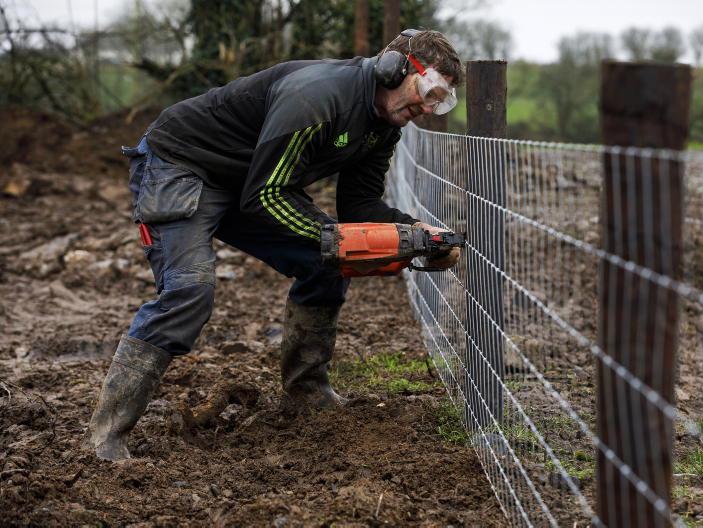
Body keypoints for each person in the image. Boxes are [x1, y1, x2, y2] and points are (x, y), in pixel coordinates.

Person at [86, 29, 464, 461]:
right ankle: (107, 435)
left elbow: (358, 204)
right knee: (189, 290)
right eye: (429, 91)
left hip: (252, 180)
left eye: (442, 102)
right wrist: (333, 239)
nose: (428, 109)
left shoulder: (382, 128)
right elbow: (265, 196)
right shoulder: (318, 98)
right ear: (395, 68)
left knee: (326, 261)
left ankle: (308, 395)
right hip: (182, 166)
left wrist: (417, 235)